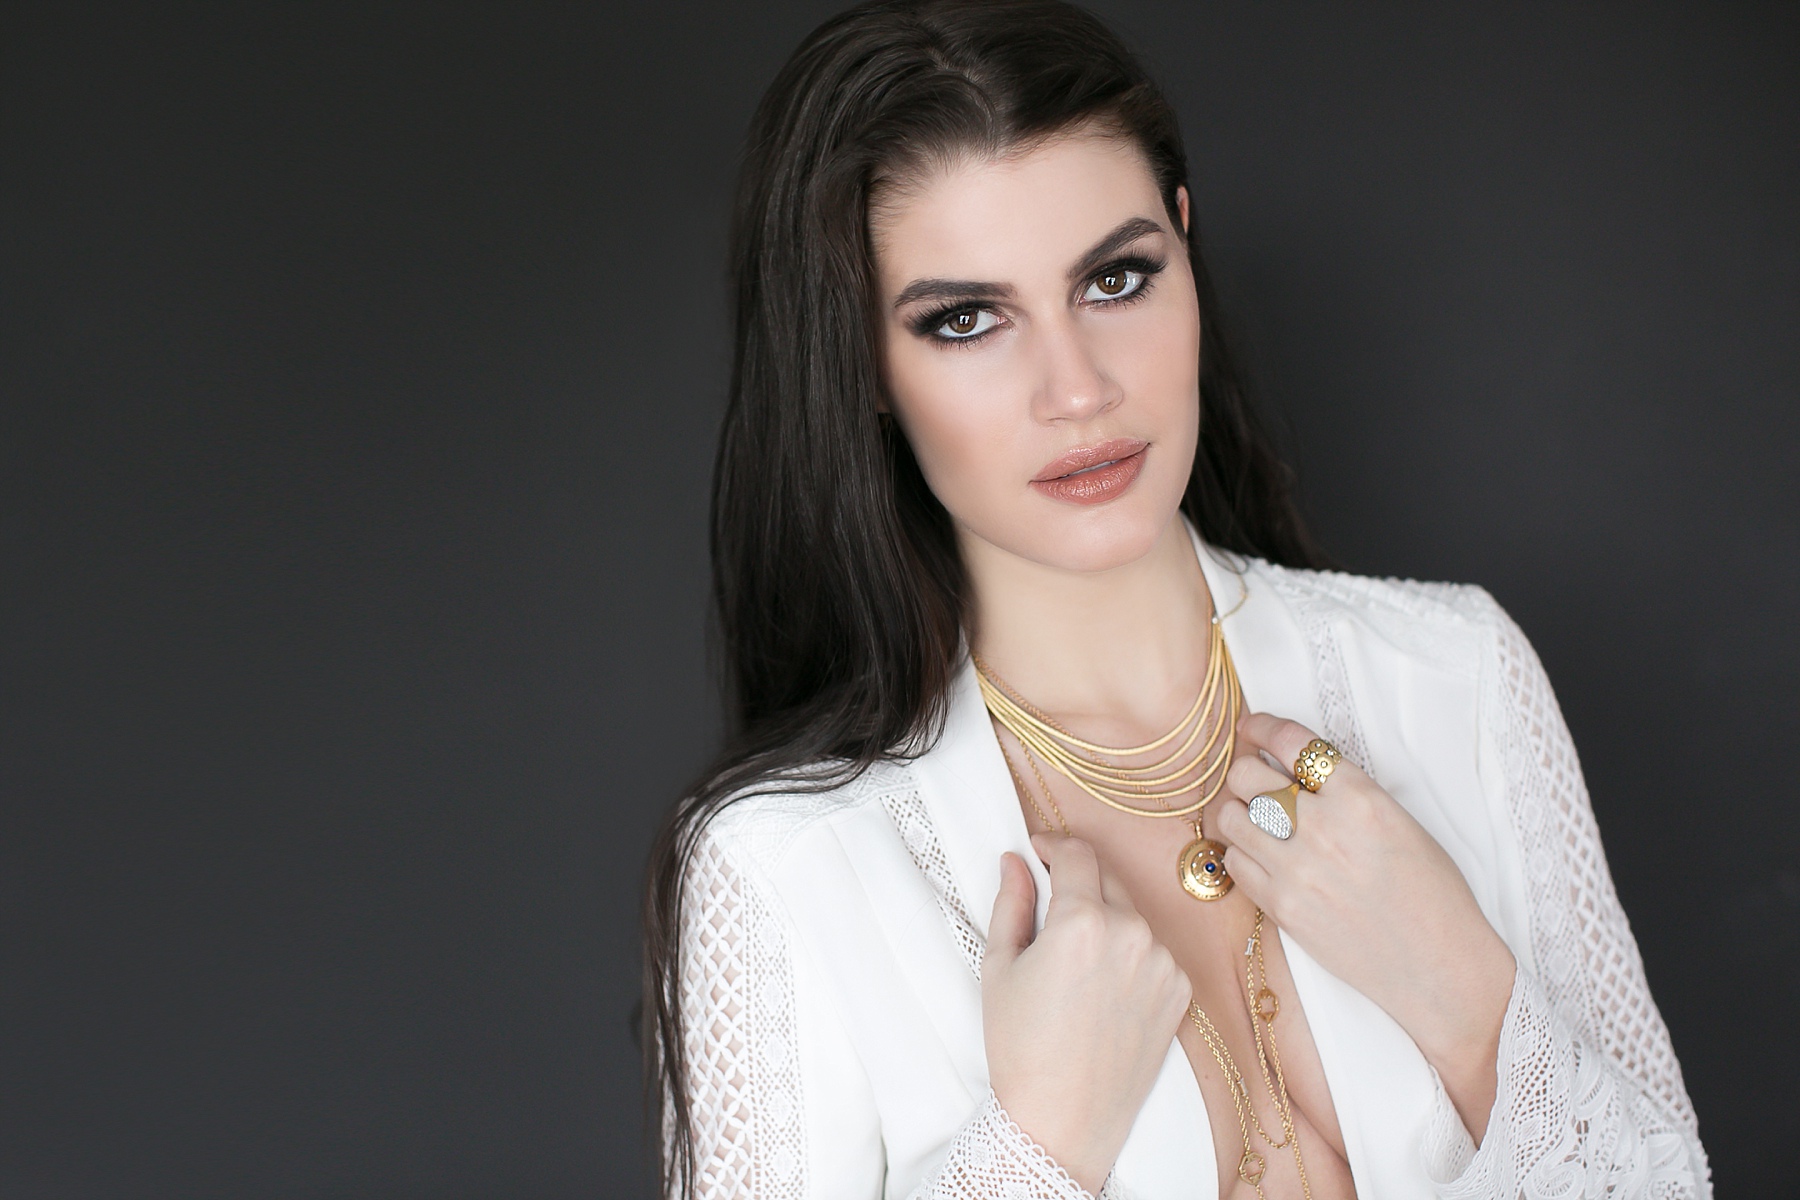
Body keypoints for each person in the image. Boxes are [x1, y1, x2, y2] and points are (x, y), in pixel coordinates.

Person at [641, 1, 1710, 1196]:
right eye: (965, 319)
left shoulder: (1456, 677)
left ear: (1186, 251)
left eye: (1116, 279)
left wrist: (1466, 998)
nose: (1077, 389)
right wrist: (1041, 1141)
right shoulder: (787, 864)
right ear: (864, 367)